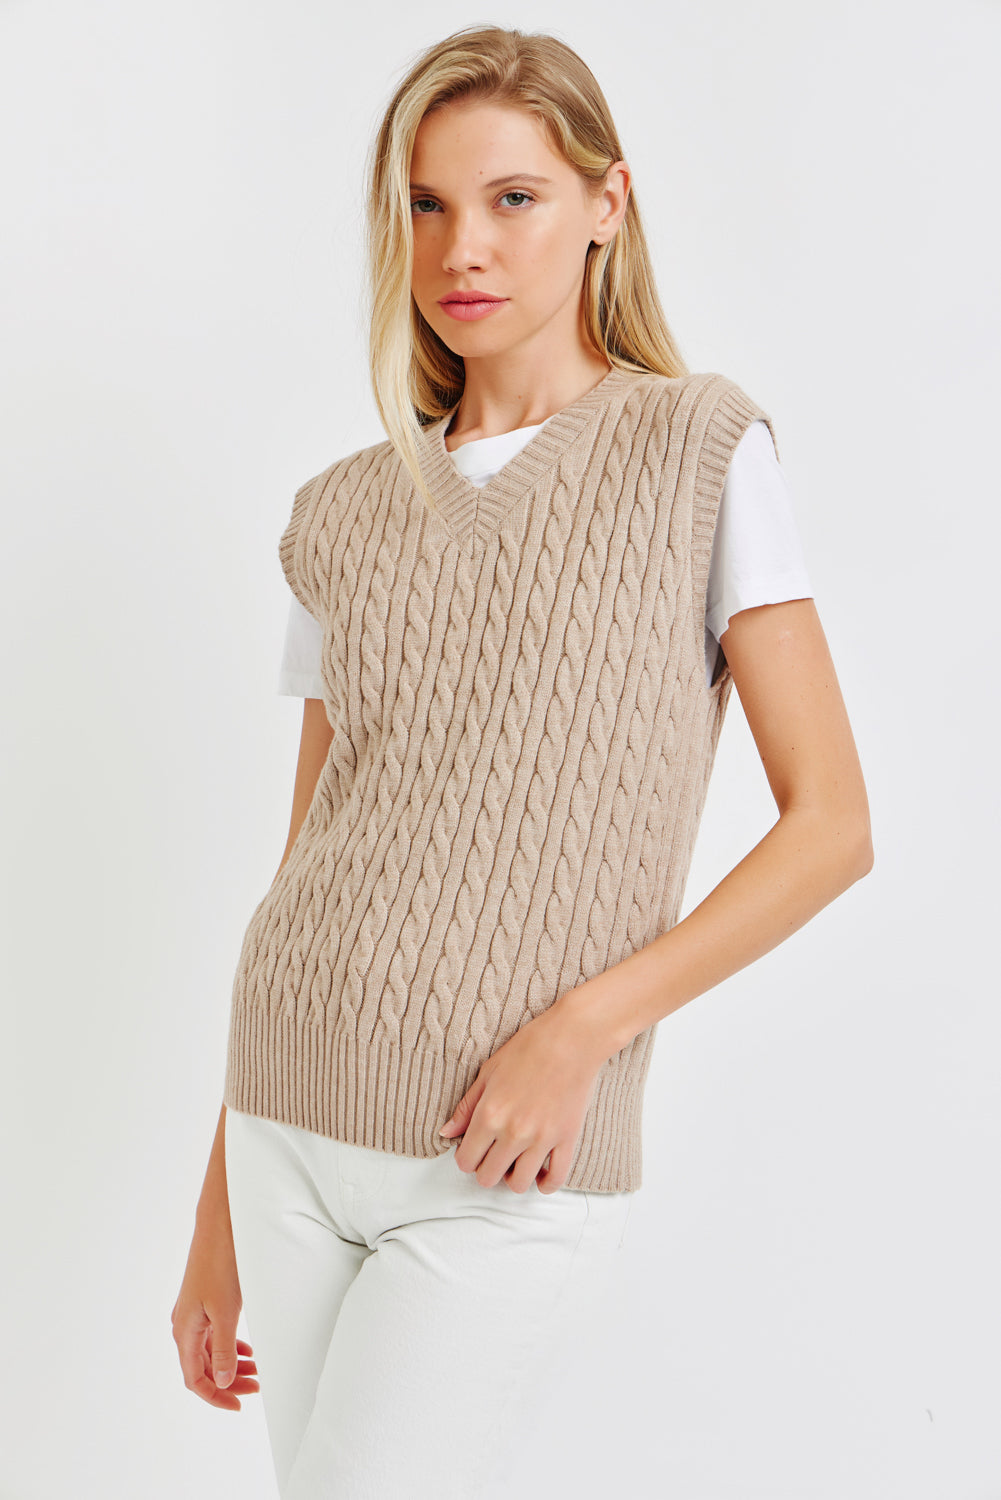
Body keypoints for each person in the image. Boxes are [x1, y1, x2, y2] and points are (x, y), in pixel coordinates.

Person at [171, 24, 873, 1499]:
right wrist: (213, 1212)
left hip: (504, 1165)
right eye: (426, 205)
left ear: (607, 203)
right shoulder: (342, 512)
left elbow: (831, 828)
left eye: (512, 198)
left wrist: (582, 1032)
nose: (462, 248)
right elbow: (306, 853)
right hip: (284, 1116)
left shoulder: (696, 449)